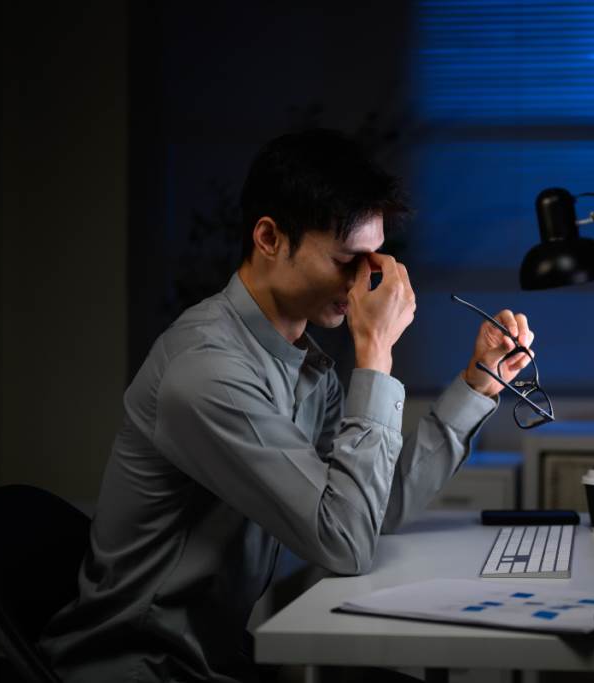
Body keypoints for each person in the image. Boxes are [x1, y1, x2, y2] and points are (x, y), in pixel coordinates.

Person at [41, 129, 537, 682]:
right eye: (347, 261)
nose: (362, 284)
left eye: (371, 263)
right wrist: (375, 351)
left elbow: (370, 510)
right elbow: (344, 542)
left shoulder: (304, 365)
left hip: (218, 661)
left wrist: (478, 385)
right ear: (269, 238)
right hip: (142, 668)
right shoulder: (206, 371)